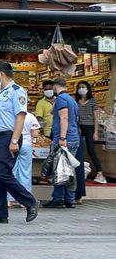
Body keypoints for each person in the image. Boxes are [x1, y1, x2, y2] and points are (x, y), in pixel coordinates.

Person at [0, 61, 39, 224]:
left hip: (8, 137)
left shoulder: (17, 91)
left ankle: (30, 201)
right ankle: (0, 213)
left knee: (3, 173)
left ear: (1, 74)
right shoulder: (0, 93)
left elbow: (20, 116)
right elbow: (1, 118)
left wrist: (14, 140)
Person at [43, 78, 82, 208]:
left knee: (59, 168)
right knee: (67, 168)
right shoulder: (71, 100)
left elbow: (64, 118)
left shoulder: (61, 99)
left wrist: (62, 138)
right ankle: (69, 199)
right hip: (73, 137)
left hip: (65, 138)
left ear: (55, 87)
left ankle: (58, 198)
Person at [75, 81, 106, 184]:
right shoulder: (76, 101)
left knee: (91, 150)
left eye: (83, 87)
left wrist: (95, 132)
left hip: (90, 127)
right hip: (79, 127)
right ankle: (81, 172)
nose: (81, 89)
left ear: (88, 88)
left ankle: (100, 173)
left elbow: (96, 118)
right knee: (79, 150)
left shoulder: (92, 101)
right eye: (79, 87)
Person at [8, 112, 40, 207]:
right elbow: (35, 134)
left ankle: (9, 199)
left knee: (10, 172)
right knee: (25, 173)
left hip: (12, 144)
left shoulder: (11, 115)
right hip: (26, 144)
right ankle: (24, 201)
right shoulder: (31, 116)